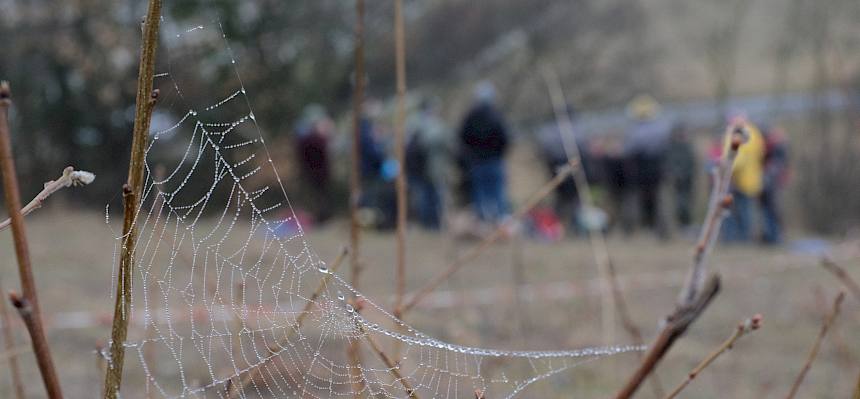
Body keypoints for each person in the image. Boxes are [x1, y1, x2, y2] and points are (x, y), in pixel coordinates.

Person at [459, 81, 511, 224]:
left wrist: (471, 154)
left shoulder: (470, 117)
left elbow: (463, 138)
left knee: (480, 191)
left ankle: (482, 219)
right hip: (494, 160)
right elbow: (505, 138)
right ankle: (501, 219)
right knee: (498, 190)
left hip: (477, 161)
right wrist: (499, 152)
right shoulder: (496, 115)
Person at [624, 94, 670, 237]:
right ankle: (662, 230)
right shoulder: (662, 128)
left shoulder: (635, 131)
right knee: (659, 200)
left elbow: (629, 149)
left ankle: (636, 229)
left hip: (639, 169)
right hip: (658, 168)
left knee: (637, 200)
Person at [406, 98, 450, 230]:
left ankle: (427, 223)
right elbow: (447, 143)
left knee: (424, 196)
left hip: (417, 168)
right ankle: (433, 223)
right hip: (431, 168)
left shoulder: (411, 124)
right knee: (433, 196)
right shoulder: (434, 126)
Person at [721, 114, 765, 243]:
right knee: (737, 210)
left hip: (744, 181)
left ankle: (743, 238)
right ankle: (738, 237)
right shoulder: (753, 133)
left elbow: (739, 157)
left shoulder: (747, 135)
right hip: (739, 180)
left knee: (743, 210)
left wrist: (727, 167)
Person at [294, 104, 333, 223]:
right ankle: (315, 218)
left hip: (313, 172)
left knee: (318, 197)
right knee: (316, 197)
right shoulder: (311, 139)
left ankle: (318, 218)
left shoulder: (305, 138)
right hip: (315, 172)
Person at [665, 123, 697, 230]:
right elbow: (669, 163)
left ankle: (686, 224)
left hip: (687, 180)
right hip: (677, 182)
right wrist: (675, 173)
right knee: (679, 203)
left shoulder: (687, 147)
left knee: (686, 203)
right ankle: (680, 225)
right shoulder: (672, 147)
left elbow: (692, 164)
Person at [760, 126, 789, 244]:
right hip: (771, 184)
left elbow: (777, 167)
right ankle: (772, 236)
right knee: (771, 211)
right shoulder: (775, 147)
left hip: (772, 184)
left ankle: (776, 237)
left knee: (773, 211)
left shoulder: (777, 148)